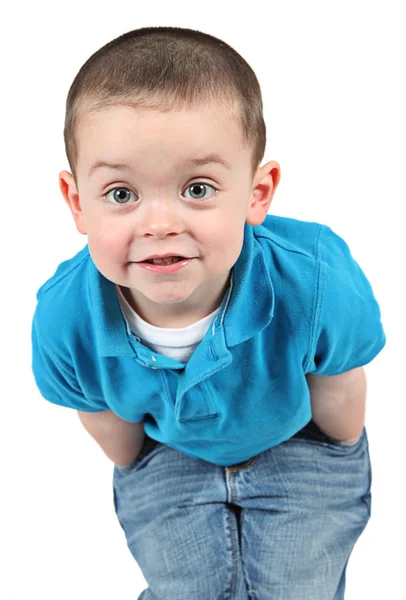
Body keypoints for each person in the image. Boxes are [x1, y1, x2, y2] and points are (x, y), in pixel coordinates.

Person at [31, 26, 386, 600]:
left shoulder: (315, 278)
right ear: (78, 203)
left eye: (197, 188)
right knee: (185, 587)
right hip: (170, 449)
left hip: (297, 439)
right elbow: (114, 434)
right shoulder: (66, 318)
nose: (159, 223)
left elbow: (339, 397)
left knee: (300, 584)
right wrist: (151, 466)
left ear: (257, 192)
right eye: (122, 195)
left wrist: (337, 454)